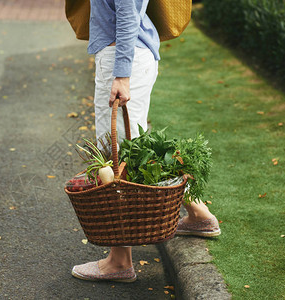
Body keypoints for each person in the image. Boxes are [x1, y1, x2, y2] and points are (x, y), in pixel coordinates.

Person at [71, 0, 221, 283]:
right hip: (132, 53)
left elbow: (127, 12)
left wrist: (121, 74)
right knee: (135, 151)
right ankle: (199, 213)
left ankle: (119, 261)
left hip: (122, 56)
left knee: (115, 159)